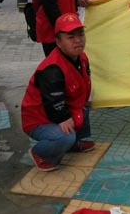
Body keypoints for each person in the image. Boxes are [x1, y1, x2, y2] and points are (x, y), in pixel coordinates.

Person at [21, 13, 94, 172]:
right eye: (70, 37)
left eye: (81, 34)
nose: (78, 40)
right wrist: (63, 119)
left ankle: (74, 144)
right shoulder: (52, 69)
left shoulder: (82, 58)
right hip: (39, 119)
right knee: (65, 136)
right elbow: (53, 102)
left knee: (83, 108)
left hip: (60, 107)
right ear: (58, 42)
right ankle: (40, 153)